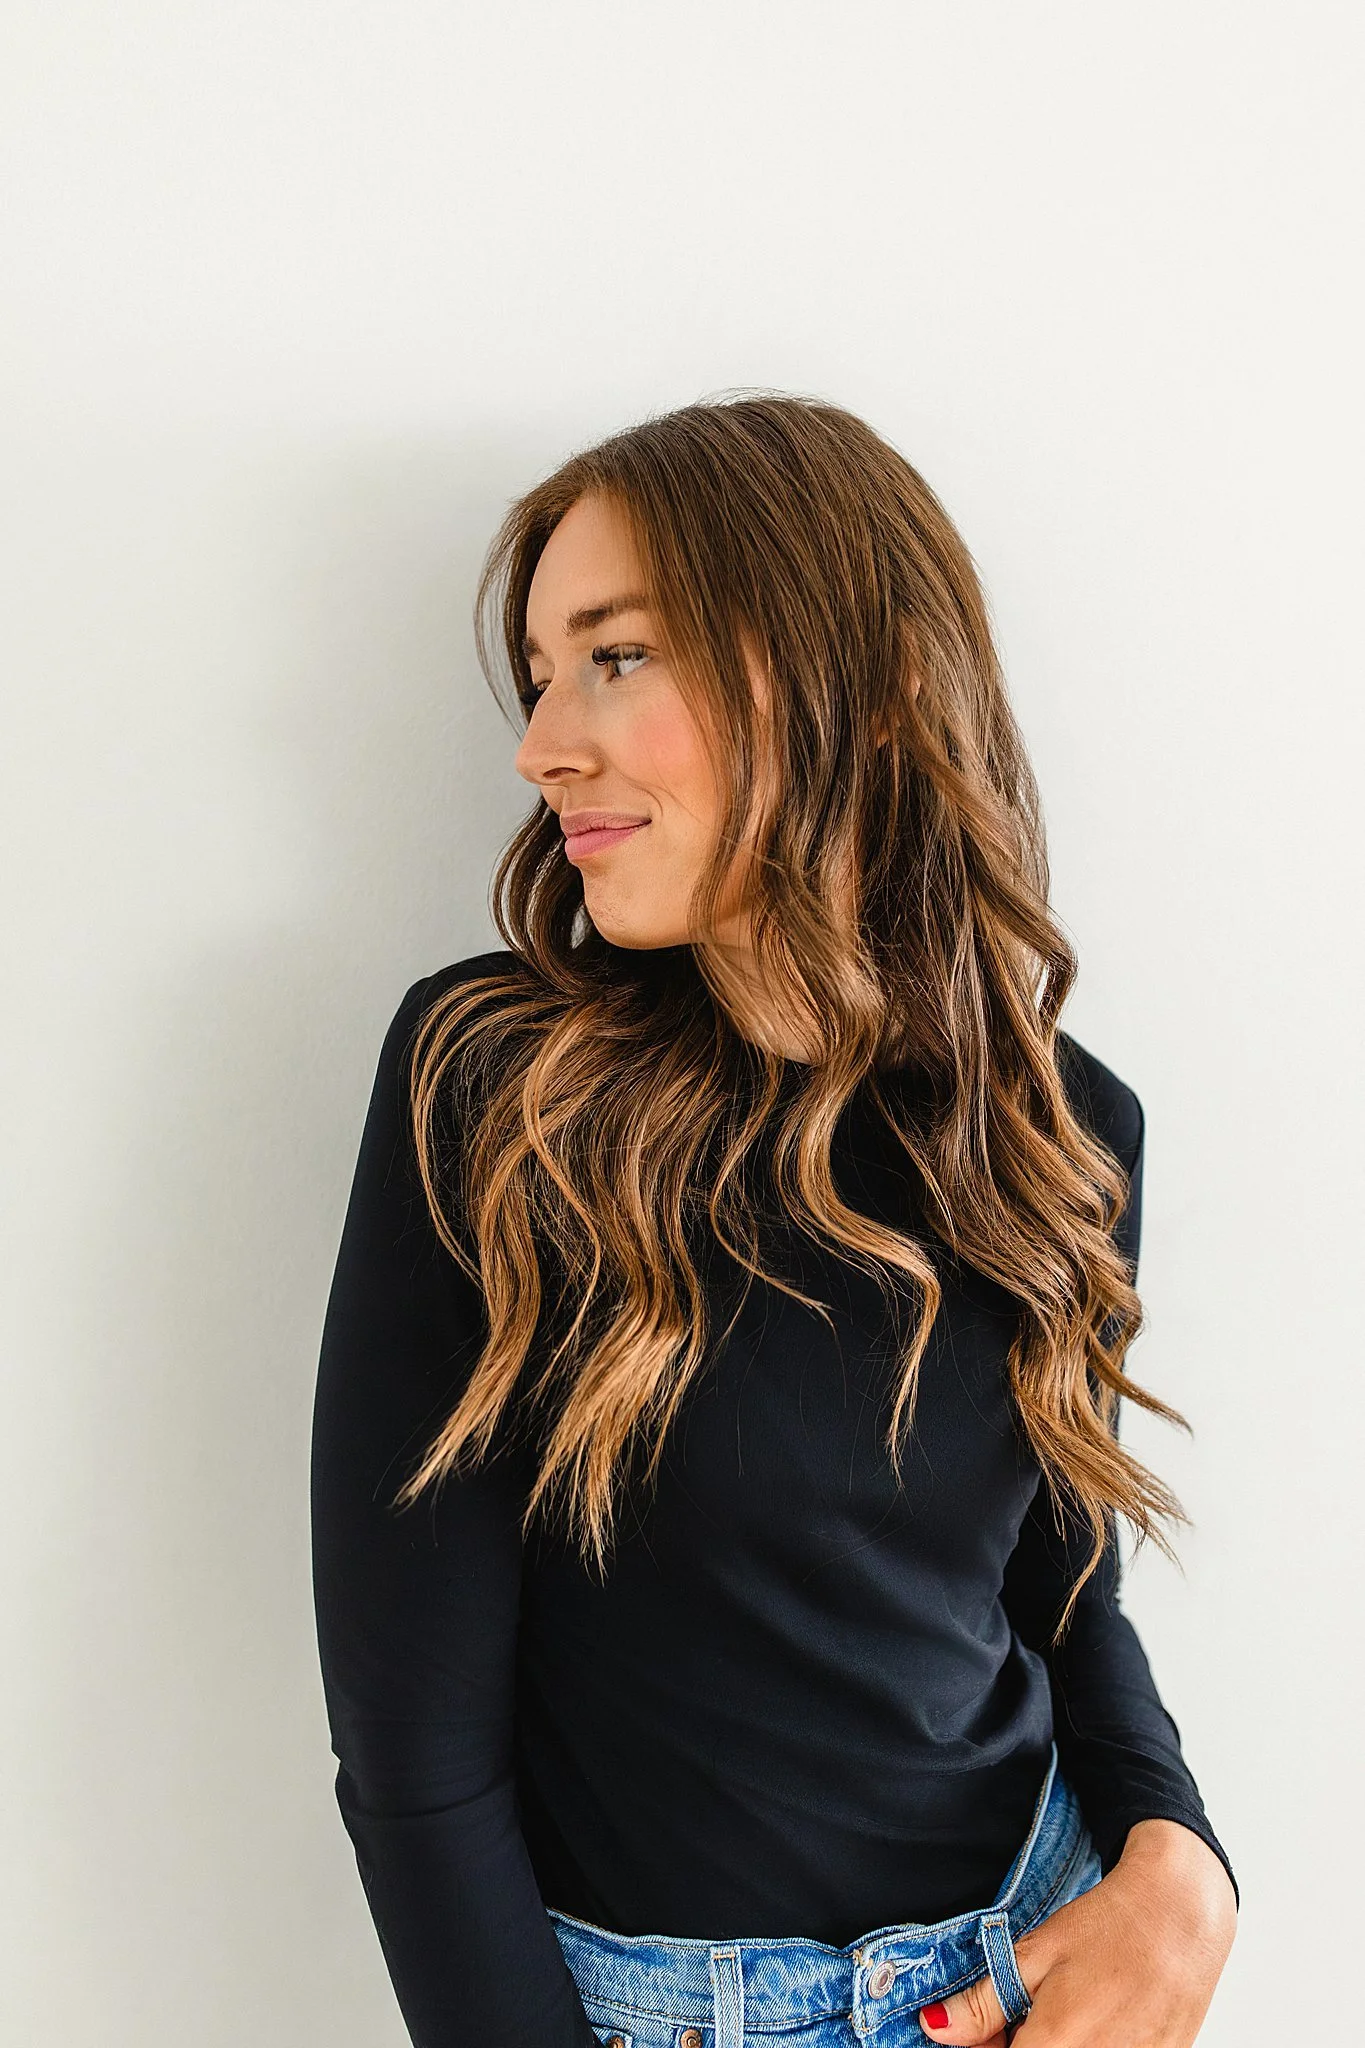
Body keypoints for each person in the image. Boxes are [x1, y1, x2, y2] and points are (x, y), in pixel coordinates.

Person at [310, 394, 1238, 2048]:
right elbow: (413, 1761)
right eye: (540, 673)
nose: (540, 745)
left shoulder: (1065, 1130)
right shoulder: (496, 1095)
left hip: (1040, 1972)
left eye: (616, 656)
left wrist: (1184, 1857)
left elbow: (1058, 1594)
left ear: (855, 686)